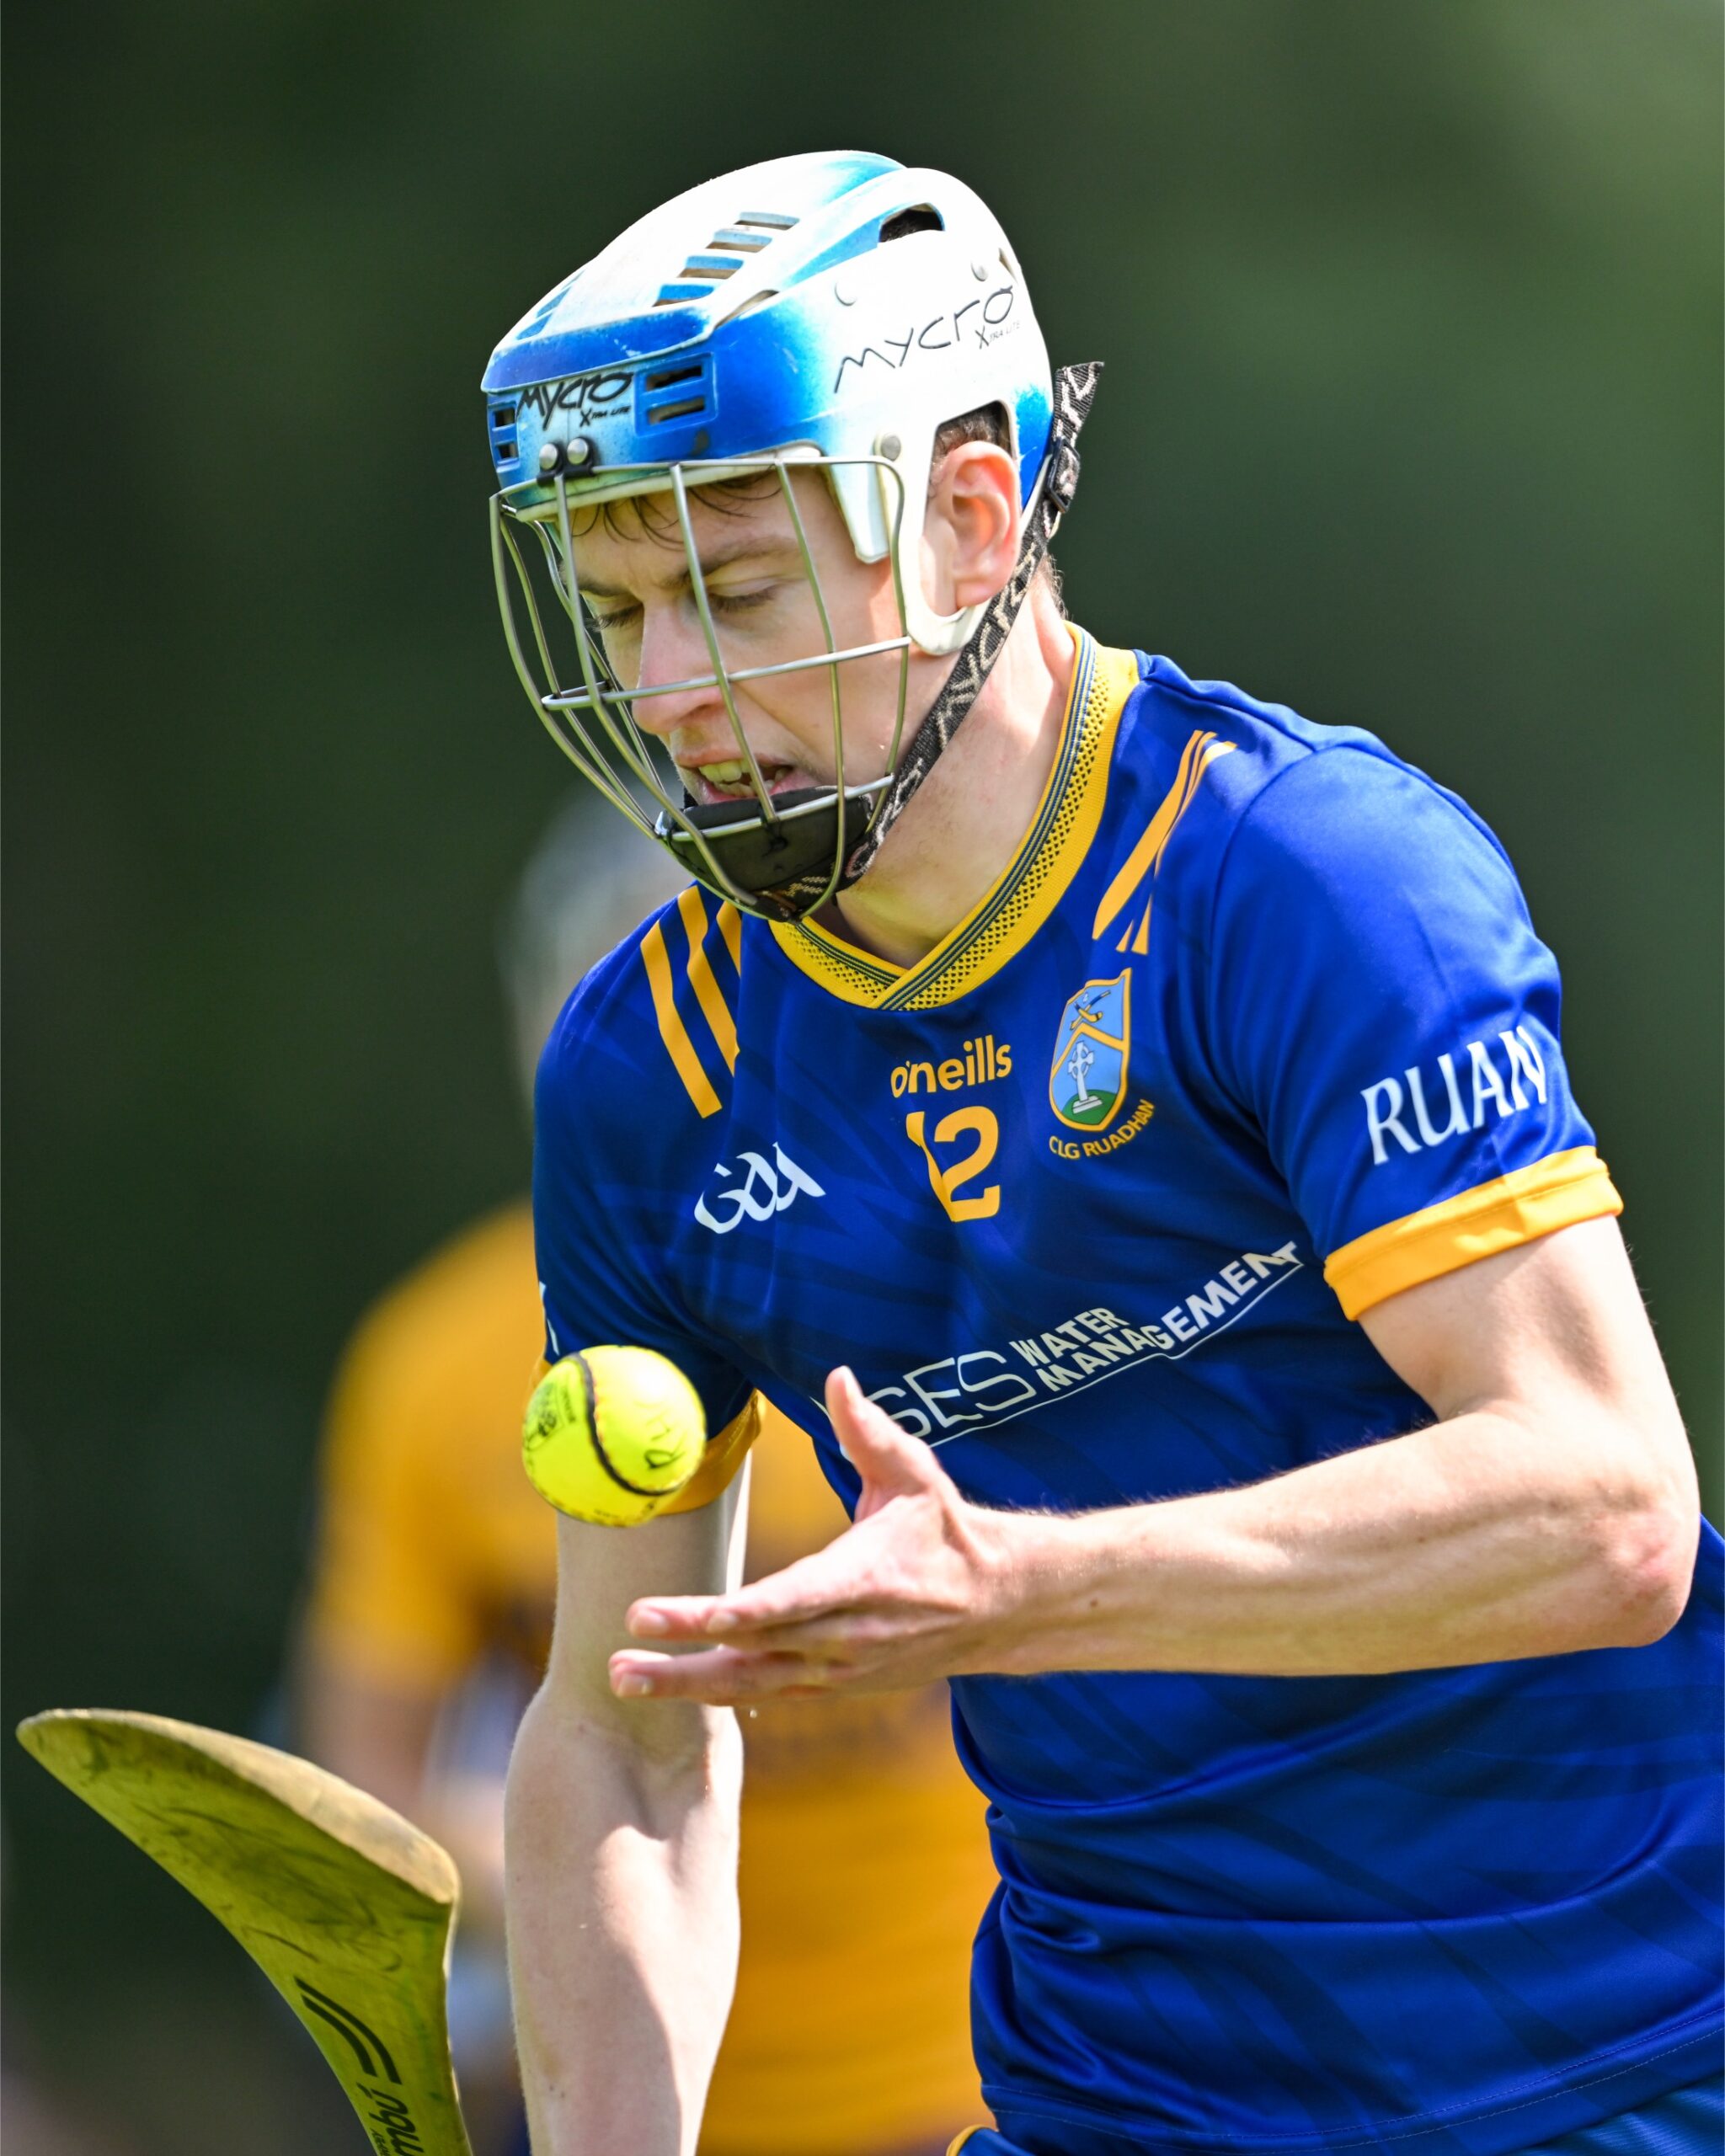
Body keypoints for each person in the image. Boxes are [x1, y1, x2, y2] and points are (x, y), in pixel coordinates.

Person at [481, 152, 1722, 2156]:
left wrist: (1020, 1586)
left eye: (733, 589)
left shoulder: (1294, 878)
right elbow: (623, 1737)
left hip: (1619, 2054)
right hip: (1117, 2097)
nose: (666, 691)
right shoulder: (651, 1072)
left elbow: (1602, 1506)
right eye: (618, 608)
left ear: (970, 521)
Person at [298, 800, 995, 2156]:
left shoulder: (972, 1287)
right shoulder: (432, 1367)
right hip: (619, 2115)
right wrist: (550, 1858)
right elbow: (362, 1780)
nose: (670, 1084)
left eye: (726, 1021)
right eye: (613, 1022)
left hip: (972, 2093)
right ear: (535, 1040)